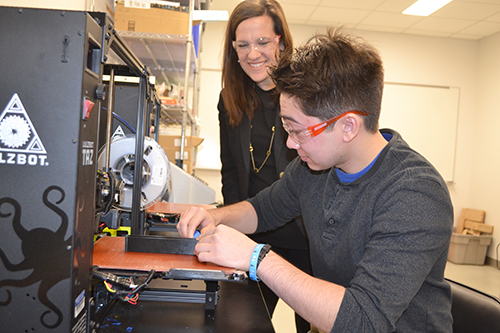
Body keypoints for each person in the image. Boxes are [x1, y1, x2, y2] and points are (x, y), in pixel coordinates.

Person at [178, 27, 454, 332]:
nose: (290, 144)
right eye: (286, 127)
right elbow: (262, 210)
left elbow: (361, 320)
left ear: (348, 126)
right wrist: (212, 217)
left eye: (297, 130)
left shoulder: (414, 194)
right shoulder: (314, 168)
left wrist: (255, 257)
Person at [217, 0, 311, 331]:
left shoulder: (307, 94)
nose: (252, 54)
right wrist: (228, 225)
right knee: (239, 323)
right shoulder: (230, 96)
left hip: (306, 238)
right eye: (243, 45)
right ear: (233, 49)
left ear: (280, 42)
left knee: (313, 325)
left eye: (262, 42)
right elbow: (230, 170)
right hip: (253, 236)